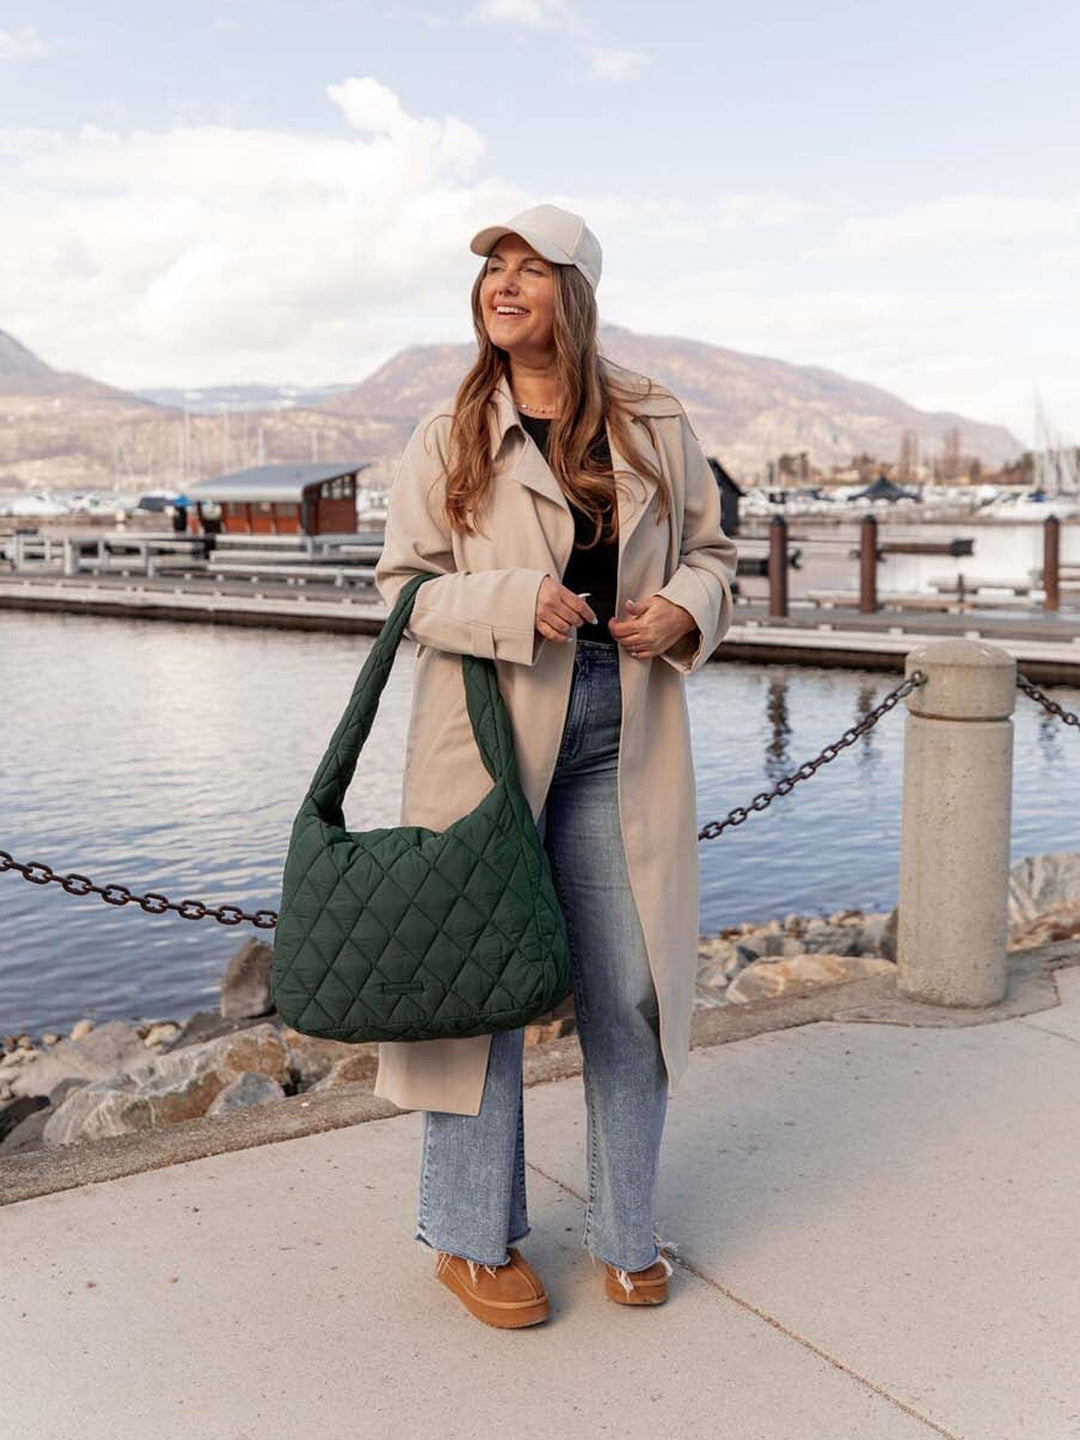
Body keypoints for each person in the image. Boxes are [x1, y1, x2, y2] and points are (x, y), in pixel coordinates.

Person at [374, 202, 737, 1328]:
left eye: (531, 268)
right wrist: (508, 601)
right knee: (477, 986)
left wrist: (685, 605)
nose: (506, 284)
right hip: (486, 736)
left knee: (628, 990)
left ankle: (628, 1229)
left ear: (575, 292)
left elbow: (718, 553)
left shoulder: (654, 422)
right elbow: (403, 590)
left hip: (622, 734)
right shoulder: (452, 435)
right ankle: (470, 1239)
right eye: (494, 269)